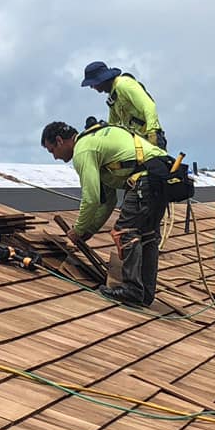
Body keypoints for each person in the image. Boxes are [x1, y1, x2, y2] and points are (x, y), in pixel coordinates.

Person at [41, 120, 172, 306]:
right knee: (147, 235)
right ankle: (145, 293)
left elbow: (91, 198)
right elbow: (107, 201)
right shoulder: (95, 144)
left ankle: (132, 290)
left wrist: (78, 229)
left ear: (60, 141)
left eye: (52, 150)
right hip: (161, 175)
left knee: (126, 231)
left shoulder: (83, 150)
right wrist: (90, 230)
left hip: (146, 179)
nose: (54, 157)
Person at [80, 61, 167, 148]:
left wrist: (153, 132)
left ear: (101, 80)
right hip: (137, 142)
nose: (92, 87)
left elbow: (148, 105)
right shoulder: (113, 97)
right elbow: (113, 125)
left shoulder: (124, 84)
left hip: (149, 138)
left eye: (93, 84)